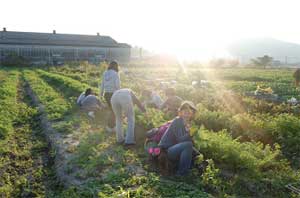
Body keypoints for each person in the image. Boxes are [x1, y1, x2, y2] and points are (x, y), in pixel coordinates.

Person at [158, 101, 197, 176]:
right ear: (181, 112)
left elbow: (187, 142)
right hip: (166, 150)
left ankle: (184, 170)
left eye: (189, 111)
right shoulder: (177, 121)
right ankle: (181, 174)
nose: (187, 112)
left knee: (190, 146)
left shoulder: (188, 123)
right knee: (188, 144)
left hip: (175, 148)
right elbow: (180, 139)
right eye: (185, 110)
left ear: (192, 113)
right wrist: (190, 134)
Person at [100, 61, 121, 131]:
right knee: (114, 110)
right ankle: (110, 126)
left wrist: (101, 95)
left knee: (112, 110)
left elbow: (102, 84)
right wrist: (119, 94)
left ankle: (112, 126)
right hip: (113, 94)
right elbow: (117, 86)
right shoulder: (116, 74)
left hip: (106, 94)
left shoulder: (105, 73)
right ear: (116, 66)